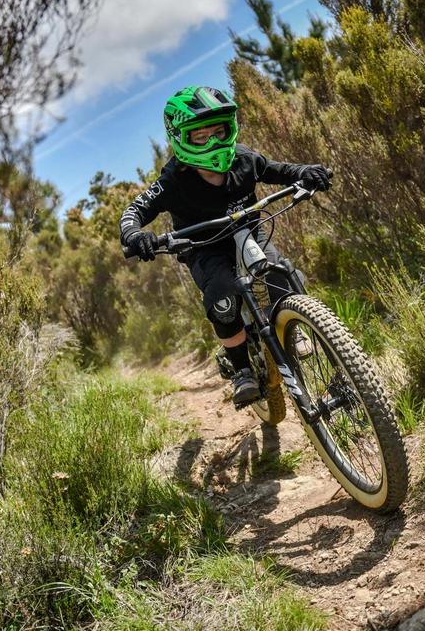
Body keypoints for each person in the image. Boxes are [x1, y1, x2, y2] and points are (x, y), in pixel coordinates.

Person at [119, 85, 331, 407]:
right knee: (223, 298)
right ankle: (242, 369)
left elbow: (279, 170)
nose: (214, 142)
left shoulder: (244, 158)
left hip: (250, 232)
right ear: (179, 138)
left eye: (219, 131)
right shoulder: (173, 180)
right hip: (204, 247)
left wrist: (305, 172)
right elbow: (134, 211)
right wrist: (136, 235)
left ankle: (295, 326)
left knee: (279, 274)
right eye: (200, 136)